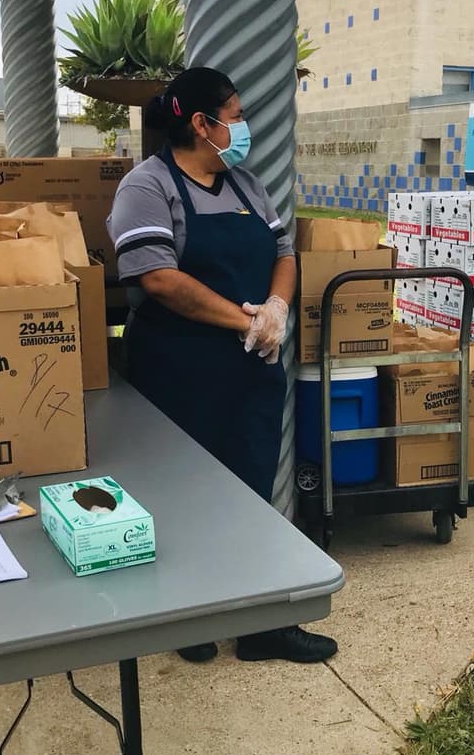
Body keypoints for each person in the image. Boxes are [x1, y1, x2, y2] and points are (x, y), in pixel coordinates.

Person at [107, 66, 337, 665]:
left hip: (251, 369)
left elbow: (284, 253)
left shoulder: (246, 185)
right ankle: (191, 617)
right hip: (178, 370)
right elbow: (158, 278)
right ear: (201, 124)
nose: (243, 126)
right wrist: (245, 321)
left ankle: (262, 626)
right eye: (235, 116)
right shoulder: (146, 186)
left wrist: (276, 309)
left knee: (252, 492)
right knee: (183, 496)